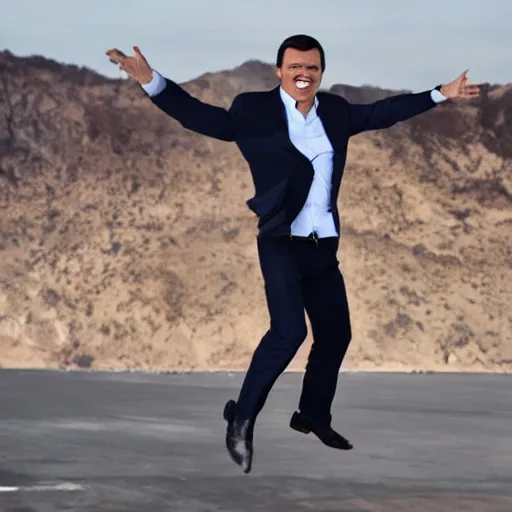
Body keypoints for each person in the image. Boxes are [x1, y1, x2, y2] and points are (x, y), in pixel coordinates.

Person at [106, 35, 480, 474]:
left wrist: (440, 93)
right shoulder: (253, 110)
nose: (305, 73)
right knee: (288, 333)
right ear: (279, 70)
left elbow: (383, 113)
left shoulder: (336, 112)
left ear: (321, 73)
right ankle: (241, 419)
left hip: (323, 243)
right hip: (281, 241)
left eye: (314, 68)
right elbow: (201, 118)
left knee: (336, 333)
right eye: (296, 66)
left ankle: (311, 415)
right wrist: (151, 81)